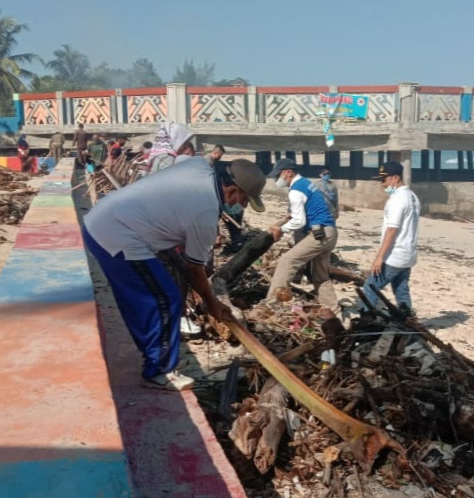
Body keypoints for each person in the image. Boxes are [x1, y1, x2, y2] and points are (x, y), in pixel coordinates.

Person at [82, 157, 267, 391]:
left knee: (142, 297)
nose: (243, 206)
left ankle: (153, 354)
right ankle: (159, 372)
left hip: (104, 219)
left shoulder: (200, 165)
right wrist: (212, 302)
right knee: (165, 300)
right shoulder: (206, 212)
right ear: (231, 190)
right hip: (118, 236)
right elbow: (194, 268)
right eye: (244, 200)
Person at [266, 158, 340, 314]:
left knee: (287, 261)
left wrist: (281, 230)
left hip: (320, 233)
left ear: (288, 172)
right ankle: (336, 314)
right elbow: (305, 210)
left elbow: (299, 221)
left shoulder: (296, 190)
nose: (277, 180)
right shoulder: (306, 183)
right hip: (330, 232)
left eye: (278, 176)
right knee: (320, 276)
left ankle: (270, 305)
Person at [361, 161, 421, 314]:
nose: (382, 184)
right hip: (408, 255)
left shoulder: (397, 200)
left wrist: (380, 257)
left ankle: (365, 322)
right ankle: (408, 322)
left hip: (394, 255)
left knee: (370, 287)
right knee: (401, 291)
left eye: (384, 179)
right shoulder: (413, 197)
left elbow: (392, 230)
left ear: (395, 178)